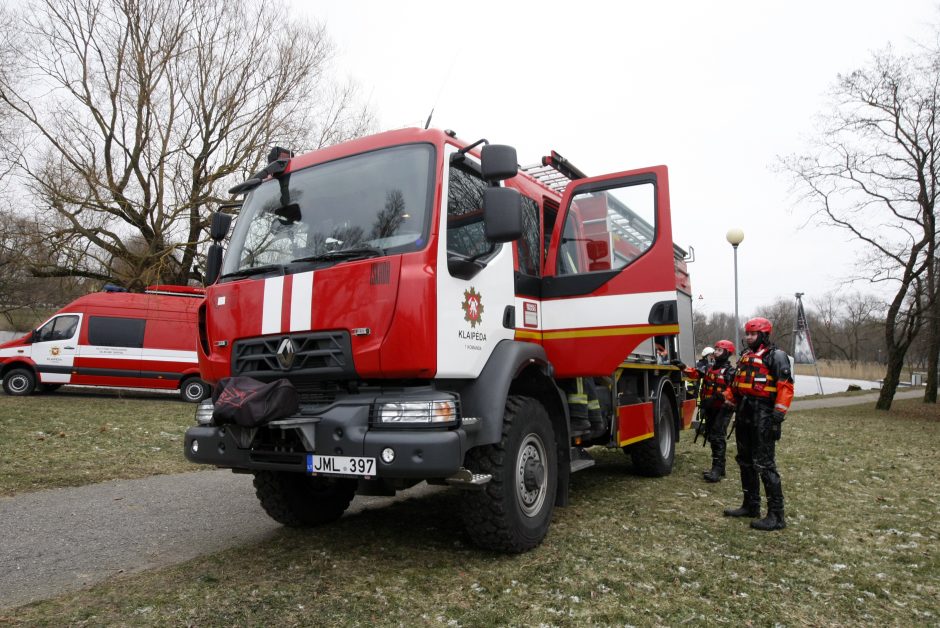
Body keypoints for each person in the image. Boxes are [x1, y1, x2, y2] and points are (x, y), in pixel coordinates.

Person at [721, 317, 794, 531]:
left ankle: (776, 515)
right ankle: (751, 505)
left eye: (753, 334)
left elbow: (785, 386)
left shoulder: (776, 356)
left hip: (763, 413)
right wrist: (728, 398)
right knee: (744, 460)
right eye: (748, 333)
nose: (749, 337)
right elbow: (736, 383)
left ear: (763, 335)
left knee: (764, 463)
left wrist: (778, 415)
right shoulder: (745, 356)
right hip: (744, 411)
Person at [682, 340, 736, 482]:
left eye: (719, 350)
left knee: (718, 435)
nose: (716, 352)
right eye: (716, 350)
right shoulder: (709, 368)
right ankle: (719, 467)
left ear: (727, 353)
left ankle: (717, 469)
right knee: (712, 435)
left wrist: (717, 397)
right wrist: (683, 367)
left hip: (724, 408)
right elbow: (695, 374)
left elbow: (733, 390)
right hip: (710, 407)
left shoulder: (730, 371)